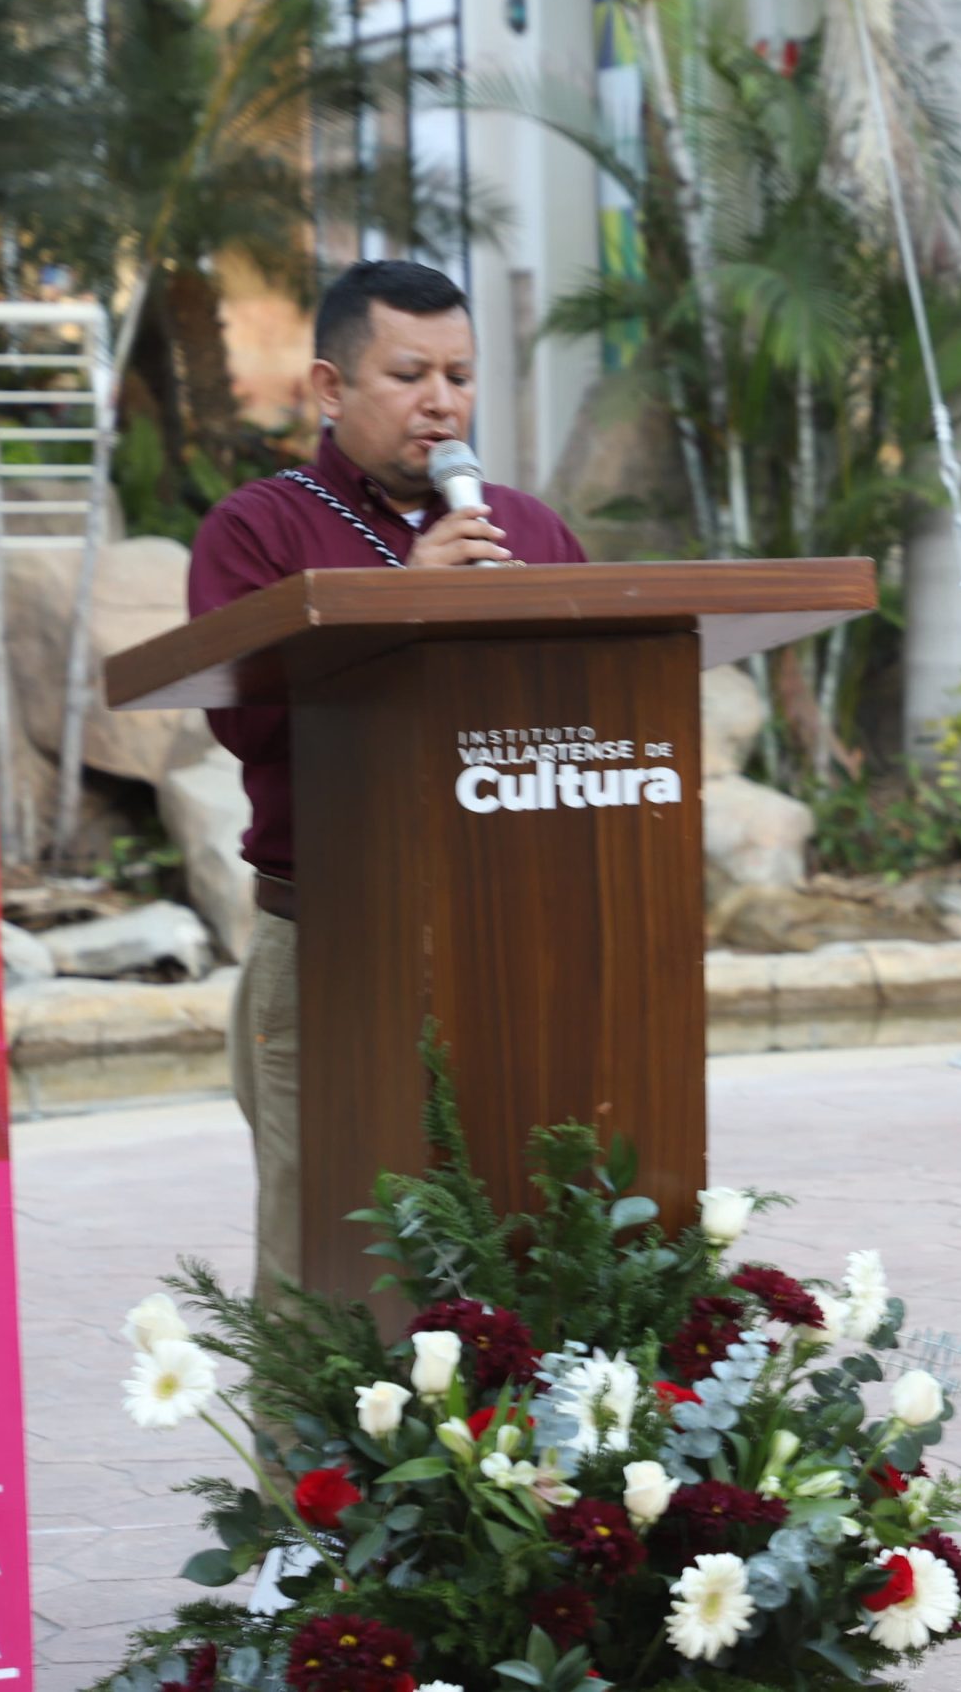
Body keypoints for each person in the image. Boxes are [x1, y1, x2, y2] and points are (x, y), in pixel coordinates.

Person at [189, 260, 589, 1297]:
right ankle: (307, 1472)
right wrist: (397, 599)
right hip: (332, 935)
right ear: (330, 387)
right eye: (409, 373)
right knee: (326, 1260)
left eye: (459, 373)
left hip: (510, 939)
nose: (442, 401)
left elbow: (598, 711)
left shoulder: (530, 533)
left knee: (521, 1234)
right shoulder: (260, 530)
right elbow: (248, 722)